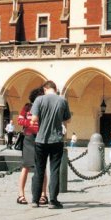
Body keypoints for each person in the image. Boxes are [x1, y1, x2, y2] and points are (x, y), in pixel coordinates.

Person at [30, 80, 71, 209]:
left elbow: (34, 119)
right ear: (54, 88)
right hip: (57, 140)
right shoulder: (62, 101)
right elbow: (68, 119)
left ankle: (35, 201)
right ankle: (53, 201)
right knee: (54, 170)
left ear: (45, 88)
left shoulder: (39, 100)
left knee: (39, 170)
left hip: (41, 139)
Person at [16, 87, 47, 205]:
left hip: (40, 138)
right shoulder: (27, 107)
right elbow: (19, 120)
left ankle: (43, 195)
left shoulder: (43, 109)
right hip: (29, 138)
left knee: (42, 168)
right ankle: (21, 194)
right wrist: (30, 123)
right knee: (26, 166)